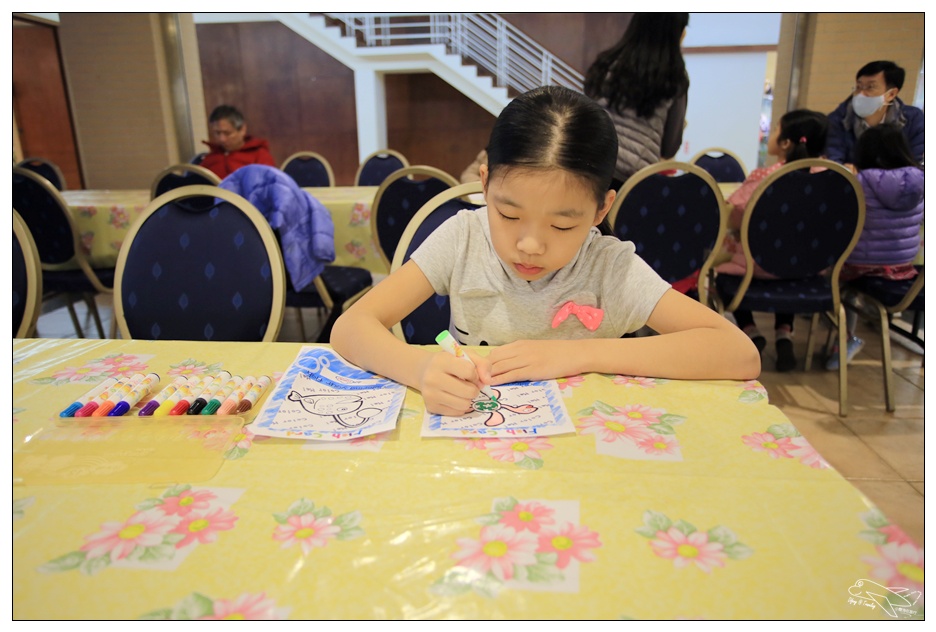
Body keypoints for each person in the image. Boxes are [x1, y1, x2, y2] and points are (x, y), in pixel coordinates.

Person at [331, 85, 760, 416]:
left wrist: (576, 353)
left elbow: (738, 353)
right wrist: (419, 369)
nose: (530, 245)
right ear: (484, 185)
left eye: (562, 224)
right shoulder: (463, 237)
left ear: (600, 209)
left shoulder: (608, 266)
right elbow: (351, 327)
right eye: (509, 214)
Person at [716, 109, 829, 372]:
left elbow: (733, 217)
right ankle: (784, 333)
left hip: (760, 270)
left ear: (787, 142)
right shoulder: (832, 176)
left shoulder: (763, 177)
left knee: (723, 273)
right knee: (790, 259)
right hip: (811, 270)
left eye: (776, 129)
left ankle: (750, 330)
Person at [826, 123, 924, 370]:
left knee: (834, 281)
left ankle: (844, 340)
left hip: (861, 267)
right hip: (904, 269)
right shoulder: (919, 182)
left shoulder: (859, 182)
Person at [583, 13, 690, 191]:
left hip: (593, 174)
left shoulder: (605, 64)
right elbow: (670, 148)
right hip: (635, 187)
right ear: (676, 33)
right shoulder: (674, 78)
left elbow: (587, 117)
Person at [826, 60, 924, 168]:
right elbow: (833, 159)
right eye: (858, 87)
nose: (861, 94)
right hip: (851, 183)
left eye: (870, 87)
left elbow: (914, 169)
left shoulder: (913, 121)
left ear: (891, 94)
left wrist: (867, 176)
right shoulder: (840, 118)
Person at [200, 105, 275, 179]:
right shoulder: (210, 157)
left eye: (227, 133)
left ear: (242, 130)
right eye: (217, 133)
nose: (222, 139)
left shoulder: (260, 155)